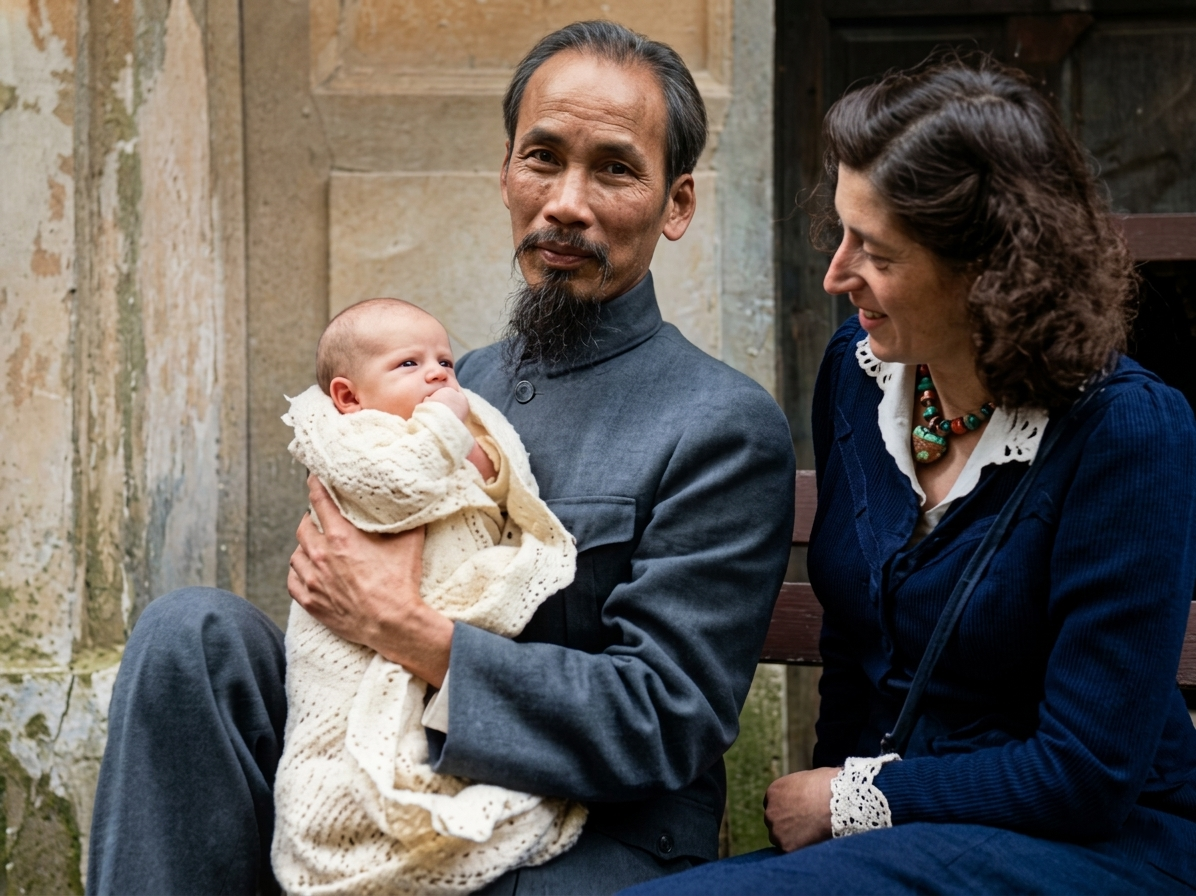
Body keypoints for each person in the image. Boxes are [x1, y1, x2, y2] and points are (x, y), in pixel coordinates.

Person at [86, 21, 796, 896]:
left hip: (586, 839)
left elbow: (665, 720)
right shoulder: (443, 389)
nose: (566, 202)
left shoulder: (719, 424)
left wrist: (412, 632)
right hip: (375, 777)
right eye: (543, 158)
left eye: (614, 169)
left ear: (676, 204)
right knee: (188, 634)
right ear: (506, 173)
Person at [624, 55, 1196, 896]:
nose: (835, 274)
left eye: (878, 252)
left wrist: (853, 800)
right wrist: (824, 830)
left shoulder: (1127, 431)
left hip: (1097, 846)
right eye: (842, 231)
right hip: (903, 843)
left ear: (991, 269)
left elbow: (1088, 773)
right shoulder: (858, 375)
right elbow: (854, 653)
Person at [272, 297, 584, 895]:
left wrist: (484, 461)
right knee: (339, 742)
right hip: (344, 649)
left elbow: (496, 499)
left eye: (444, 360)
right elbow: (395, 488)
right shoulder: (359, 440)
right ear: (348, 397)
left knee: (413, 742)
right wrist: (445, 428)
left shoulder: (450, 423)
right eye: (409, 364)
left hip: (442, 651)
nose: (439, 374)